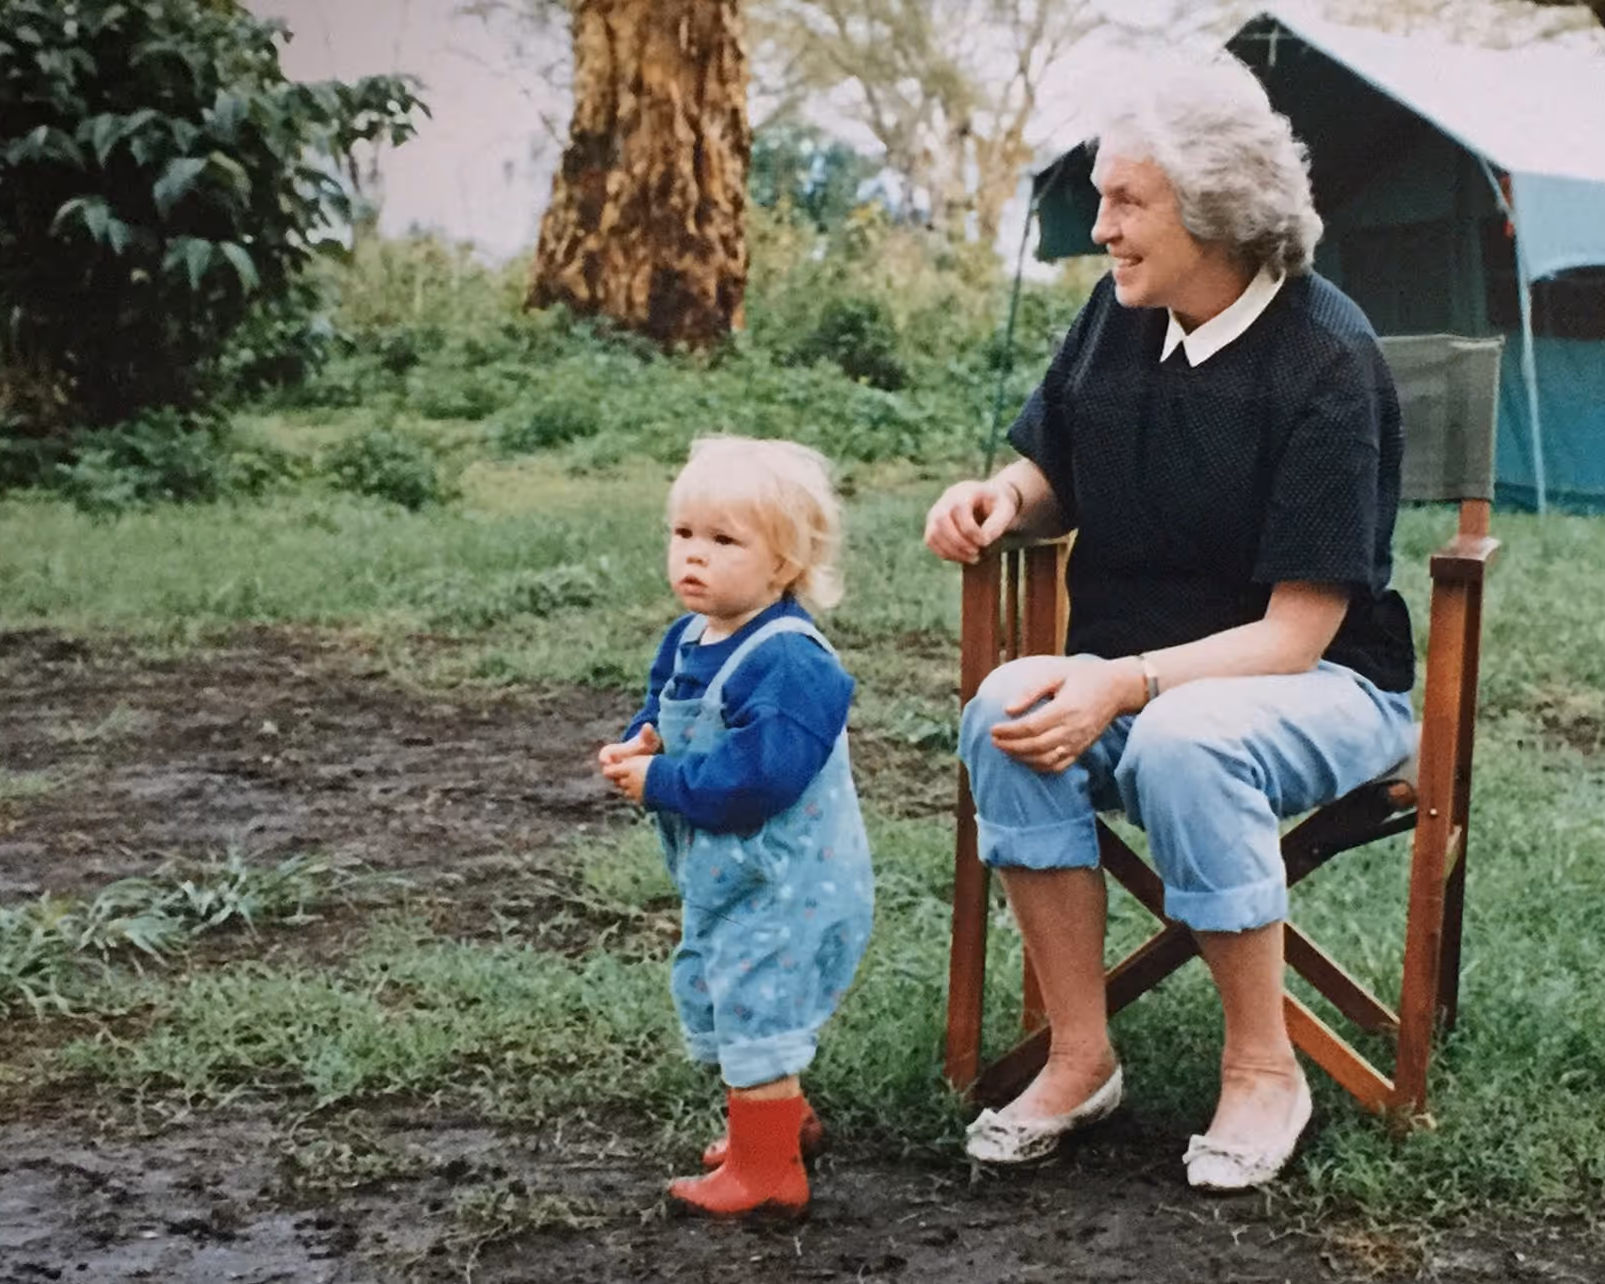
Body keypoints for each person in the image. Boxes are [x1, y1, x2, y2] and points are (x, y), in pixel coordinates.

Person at [922, 54, 1415, 1192]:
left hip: (1326, 687)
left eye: (1126, 201)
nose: (1100, 229)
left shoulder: (1325, 359)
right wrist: (1006, 499)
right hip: (1137, 677)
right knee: (1007, 706)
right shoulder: (1117, 316)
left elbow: (1294, 636)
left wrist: (1122, 684)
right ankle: (1081, 1055)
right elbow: (1056, 466)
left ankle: (1262, 1069)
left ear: (1216, 211)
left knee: (1187, 743)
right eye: (1102, 199)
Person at [599, 435, 873, 1220]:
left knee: (757, 999)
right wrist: (646, 739)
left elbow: (759, 779)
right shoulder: (692, 636)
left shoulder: (791, 663)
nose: (694, 557)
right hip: (734, 872)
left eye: (724, 541)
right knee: (728, 992)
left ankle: (770, 1175)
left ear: (784, 564)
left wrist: (664, 783)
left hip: (791, 880)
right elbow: (669, 704)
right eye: (683, 534)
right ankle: (781, 1127)